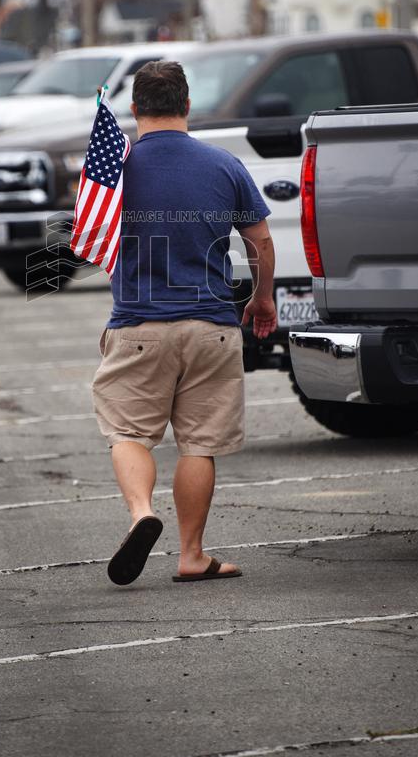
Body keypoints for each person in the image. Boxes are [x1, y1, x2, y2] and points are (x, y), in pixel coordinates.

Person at [93, 61, 277, 585]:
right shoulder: (224, 165)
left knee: (127, 433)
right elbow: (259, 241)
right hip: (212, 327)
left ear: (134, 110)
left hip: (137, 326)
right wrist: (261, 299)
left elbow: (89, 233)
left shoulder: (114, 168)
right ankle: (192, 554)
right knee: (198, 444)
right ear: (187, 106)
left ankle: (141, 514)